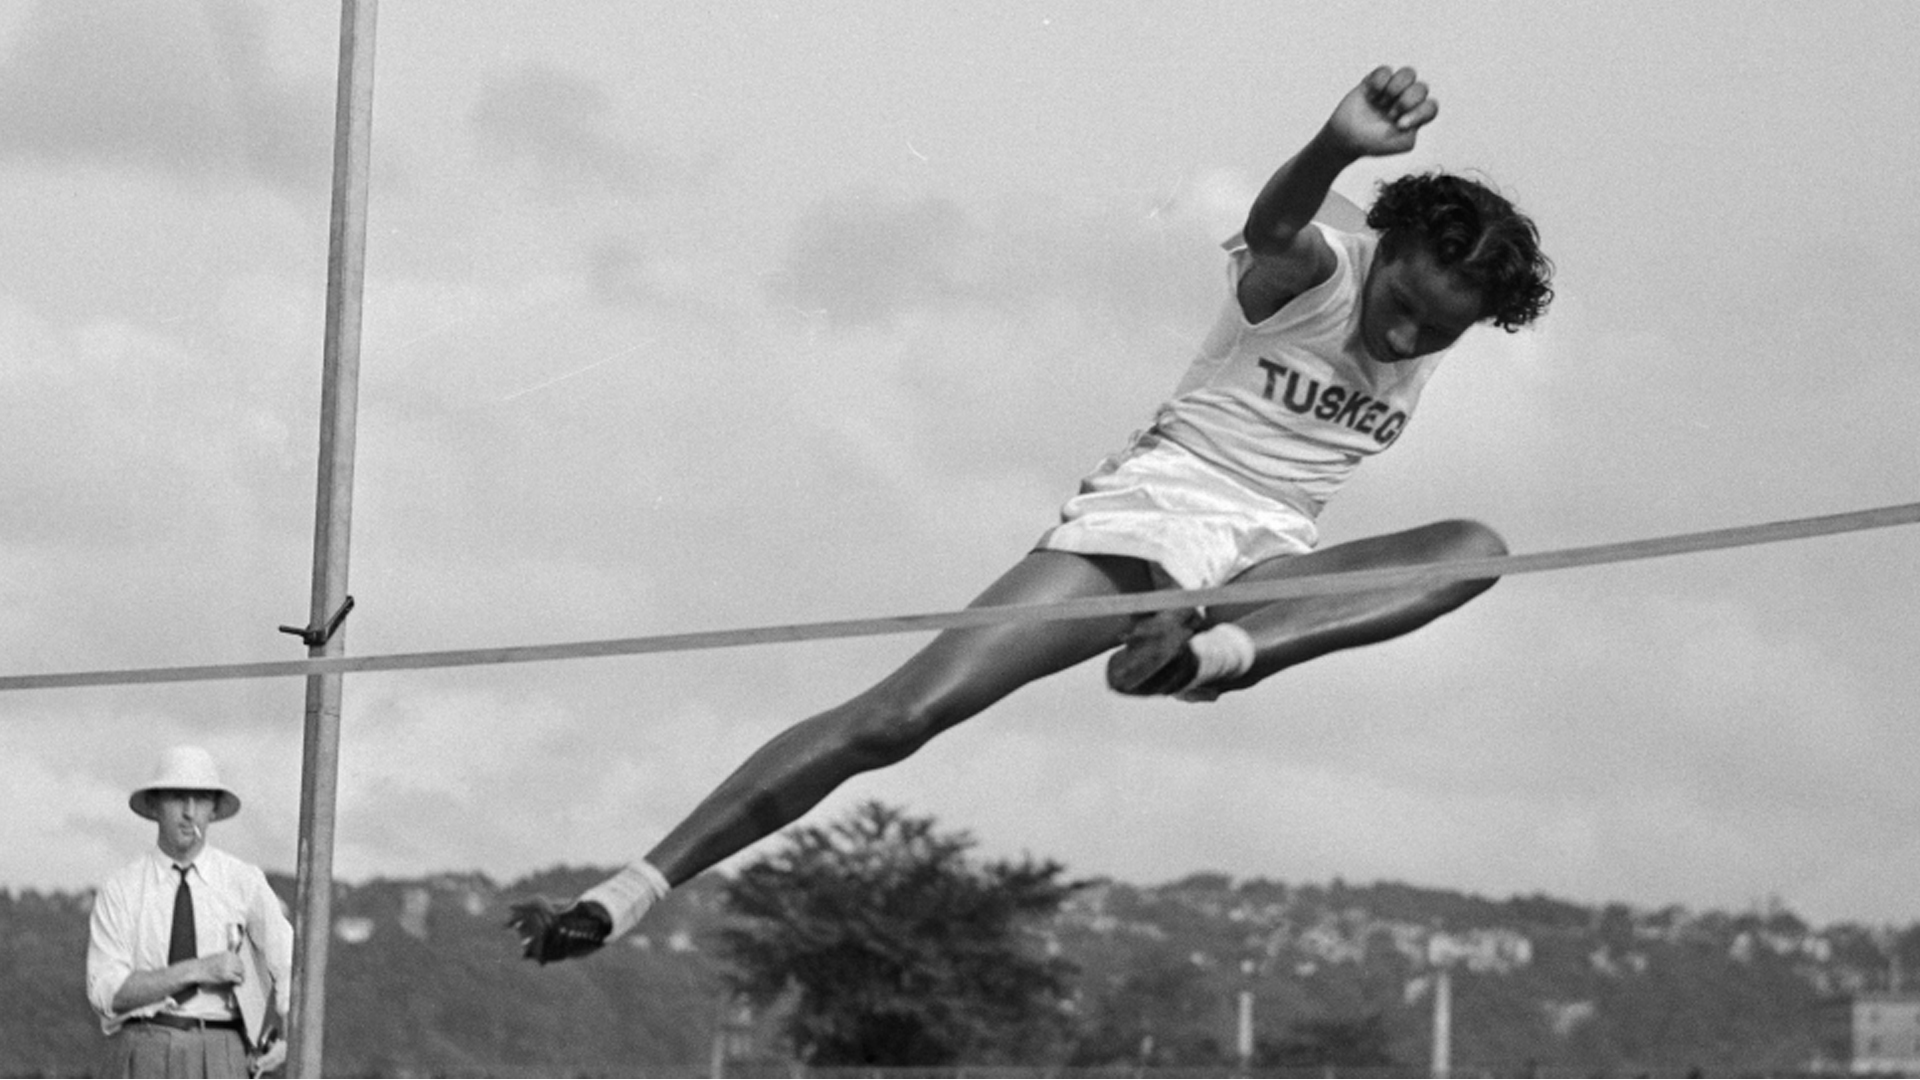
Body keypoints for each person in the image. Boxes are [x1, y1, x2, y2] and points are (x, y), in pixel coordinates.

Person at [511, 65, 1553, 962]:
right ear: (1385, 252)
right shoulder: (1318, 270)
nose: (1407, 341)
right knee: (899, 718)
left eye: (1439, 334)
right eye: (1402, 308)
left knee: (1475, 550)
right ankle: (629, 892)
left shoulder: (1432, 313)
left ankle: (1199, 659)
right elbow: (1280, 223)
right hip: (1156, 517)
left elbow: (1423, 334)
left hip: (1265, 561)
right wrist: (1334, 143)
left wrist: (1227, 620)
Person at [87, 746, 293, 1078]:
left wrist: (288, 1036)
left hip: (222, 1052)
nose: (189, 812)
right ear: (155, 805)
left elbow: (290, 963)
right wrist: (196, 970)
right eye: (177, 798)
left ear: (214, 809)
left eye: (201, 799)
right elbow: (105, 992)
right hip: (145, 1049)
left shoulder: (243, 881)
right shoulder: (122, 889)